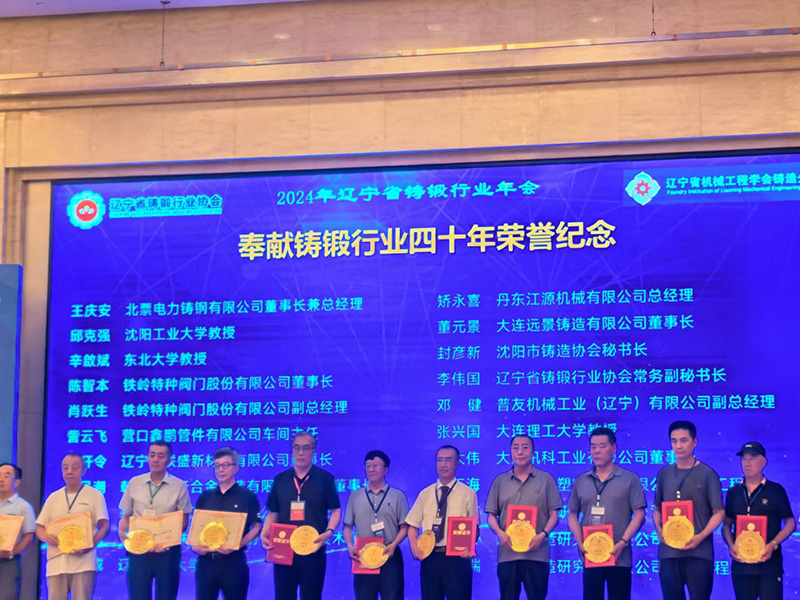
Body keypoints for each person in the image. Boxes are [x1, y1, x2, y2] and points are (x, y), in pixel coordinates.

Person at [567, 427, 646, 600]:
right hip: (590, 554)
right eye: (593, 446)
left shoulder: (629, 479)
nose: (596, 451)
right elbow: (572, 515)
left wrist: (623, 542)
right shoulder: (581, 481)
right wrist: (580, 543)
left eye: (602, 446)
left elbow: (640, 515)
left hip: (619, 556)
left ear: (614, 448)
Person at [262, 432, 341, 600]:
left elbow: (336, 510)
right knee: (283, 596)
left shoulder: (325, 479)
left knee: (311, 596)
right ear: (291, 450)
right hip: (283, 549)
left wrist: (329, 532)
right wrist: (264, 533)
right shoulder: (280, 480)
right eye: (296, 448)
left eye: (306, 448)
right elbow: (273, 512)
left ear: (314, 451)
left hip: (313, 549)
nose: (300, 453)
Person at [653, 420, 724, 600]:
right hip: (669, 553)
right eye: (674, 441)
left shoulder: (708, 474)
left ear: (695, 442)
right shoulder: (664, 474)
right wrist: (659, 529)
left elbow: (719, 513)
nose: (678, 446)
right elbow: (657, 509)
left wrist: (701, 536)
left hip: (699, 553)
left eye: (683, 440)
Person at [486, 435, 561, 600]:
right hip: (508, 554)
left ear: (533, 452)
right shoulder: (500, 481)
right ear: (510, 452)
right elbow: (491, 516)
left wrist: (542, 535)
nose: (520, 452)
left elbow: (554, 516)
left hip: (537, 554)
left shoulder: (546, 479)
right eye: (515, 448)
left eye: (525, 447)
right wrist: (500, 534)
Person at [118, 441, 192, 600]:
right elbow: (126, 516)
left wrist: (167, 541)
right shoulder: (135, 482)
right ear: (147, 457)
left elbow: (184, 521)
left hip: (166, 554)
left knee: (166, 596)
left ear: (169, 461)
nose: (155, 459)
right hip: (139, 552)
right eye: (152, 455)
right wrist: (123, 535)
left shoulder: (179, 486)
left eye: (161, 456)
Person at [723, 441, 796, 600]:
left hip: (769, 566)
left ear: (763, 461)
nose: (747, 463)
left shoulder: (776, 490)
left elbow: (790, 523)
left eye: (752, 458)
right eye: (744, 459)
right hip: (741, 566)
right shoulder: (733, 492)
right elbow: (726, 524)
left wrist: (773, 544)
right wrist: (731, 545)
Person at [405, 445, 479, 600]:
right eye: (439, 460)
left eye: (448, 460)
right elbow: (412, 525)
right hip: (430, 557)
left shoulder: (468, 493)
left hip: (457, 558)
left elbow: (474, 527)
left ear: (457, 463)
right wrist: (414, 547)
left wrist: (470, 547)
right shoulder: (425, 493)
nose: (443, 464)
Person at [35, 453, 110, 600]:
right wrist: (46, 537)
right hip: (57, 563)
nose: (69, 471)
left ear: (84, 470)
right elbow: (39, 527)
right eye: (65, 468)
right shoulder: (53, 497)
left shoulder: (94, 495)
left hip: (84, 563)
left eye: (74, 468)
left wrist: (90, 544)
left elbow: (105, 526)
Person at [192, 447, 261, 600]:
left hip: (233, 563)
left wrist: (237, 544)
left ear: (236, 468)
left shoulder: (247, 496)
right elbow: (197, 528)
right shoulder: (205, 496)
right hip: (206, 563)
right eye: (217, 466)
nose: (220, 470)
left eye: (225, 465)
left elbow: (257, 527)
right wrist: (195, 546)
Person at [344, 450, 409, 600]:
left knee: (393, 596)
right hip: (363, 556)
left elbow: (404, 527)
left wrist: (394, 545)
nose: (371, 469)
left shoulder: (397, 496)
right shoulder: (355, 496)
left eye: (375, 465)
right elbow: (347, 526)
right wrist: (349, 545)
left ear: (386, 469)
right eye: (367, 466)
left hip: (389, 553)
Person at [0, 463, 36, 600]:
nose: (1, 479)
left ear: (16, 482)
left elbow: (29, 537)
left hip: (8, 562)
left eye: (6, 476)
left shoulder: (23, 507)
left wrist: (11, 552)